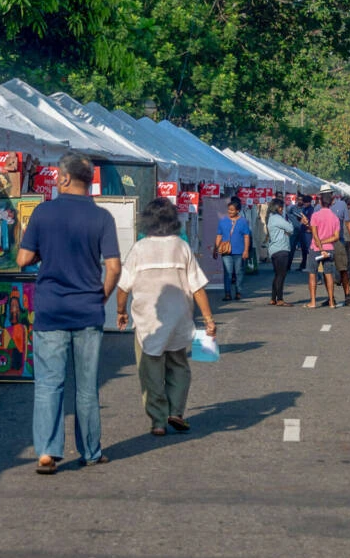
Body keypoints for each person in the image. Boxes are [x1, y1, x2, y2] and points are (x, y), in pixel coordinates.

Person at [17, 152, 121, 474]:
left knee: (49, 384)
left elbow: (23, 259)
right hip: (87, 310)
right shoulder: (102, 217)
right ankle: (91, 452)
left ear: (63, 178)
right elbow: (114, 267)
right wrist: (100, 297)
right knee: (87, 388)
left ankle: (47, 452)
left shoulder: (43, 212)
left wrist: (41, 255)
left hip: (50, 309)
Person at [115, 198, 217, 436]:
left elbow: (123, 287)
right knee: (179, 367)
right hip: (179, 319)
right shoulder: (181, 247)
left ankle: (159, 421)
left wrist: (120, 312)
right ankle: (176, 412)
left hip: (147, 322)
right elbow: (197, 287)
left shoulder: (140, 248)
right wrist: (209, 319)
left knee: (150, 371)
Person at [305, 190, 341, 308]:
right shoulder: (335, 218)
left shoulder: (315, 216)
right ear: (331, 203)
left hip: (315, 249)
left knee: (312, 274)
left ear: (320, 202)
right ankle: (331, 301)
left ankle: (313, 302)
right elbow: (336, 237)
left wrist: (320, 246)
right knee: (329, 274)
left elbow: (315, 235)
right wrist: (325, 244)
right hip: (329, 248)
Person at [213, 198, 251, 301]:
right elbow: (219, 236)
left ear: (238, 210)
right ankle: (228, 293)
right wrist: (215, 249)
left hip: (239, 251)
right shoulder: (223, 221)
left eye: (232, 210)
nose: (230, 212)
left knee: (239, 272)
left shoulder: (243, 222)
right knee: (228, 272)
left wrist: (246, 250)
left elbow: (246, 236)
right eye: (229, 209)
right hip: (226, 252)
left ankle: (238, 292)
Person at [266, 197, 299, 306]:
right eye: (281, 208)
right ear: (278, 208)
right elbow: (290, 228)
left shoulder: (271, 218)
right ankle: (279, 299)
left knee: (277, 275)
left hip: (274, 249)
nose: (282, 210)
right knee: (281, 275)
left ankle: (273, 298)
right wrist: (288, 223)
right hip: (281, 249)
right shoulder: (277, 218)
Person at [335, 194, 350, 306]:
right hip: (348, 240)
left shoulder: (335, 211)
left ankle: (339, 279)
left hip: (338, 241)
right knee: (348, 264)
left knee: (338, 264)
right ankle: (346, 282)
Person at [285, 195, 308, 271]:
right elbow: (287, 213)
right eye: (299, 199)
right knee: (291, 248)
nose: (300, 201)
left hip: (303, 231)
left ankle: (303, 265)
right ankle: (288, 265)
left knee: (304, 248)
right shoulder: (292, 208)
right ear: (297, 199)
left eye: (302, 200)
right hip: (294, 230)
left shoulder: (305, 209)